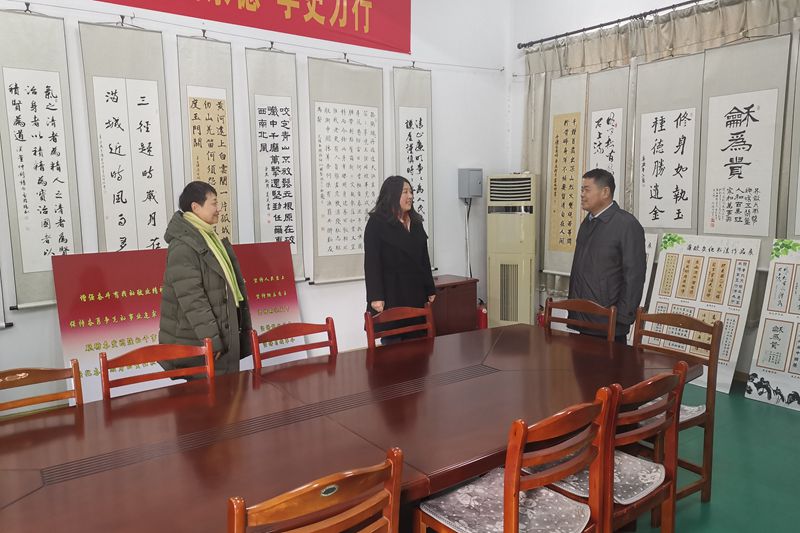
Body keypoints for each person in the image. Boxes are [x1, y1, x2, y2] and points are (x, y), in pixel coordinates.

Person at [158, 181, 251, 376]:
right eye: (214, 203)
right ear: (195, 207)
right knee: (207, 393)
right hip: (198, 341)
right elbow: (193, 300)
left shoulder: (207, 238)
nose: (219, 209)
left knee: (228, 391)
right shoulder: (183, 246)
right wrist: (211, 341)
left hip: (219, 334)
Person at [568, 168, 645, 342]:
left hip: (609, 321)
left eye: (587, 190)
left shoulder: (626, 224)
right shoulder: (587, 223)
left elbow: (634, 276)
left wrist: (622, 317)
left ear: (605, 192)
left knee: (610, 361)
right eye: (582, 189)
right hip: (583, 317)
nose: (582, 194)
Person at [364, 176, 436, 343]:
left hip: (415, 293)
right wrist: (375, 296)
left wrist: (430, 288)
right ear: (392, 195)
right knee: (394, 345)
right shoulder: (376, 223)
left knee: (419, 344)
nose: (410, 196)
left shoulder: (416, 222)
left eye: (411, 192)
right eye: (405, 192)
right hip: (392, 293)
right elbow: (372, 262)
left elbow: (424, 259)